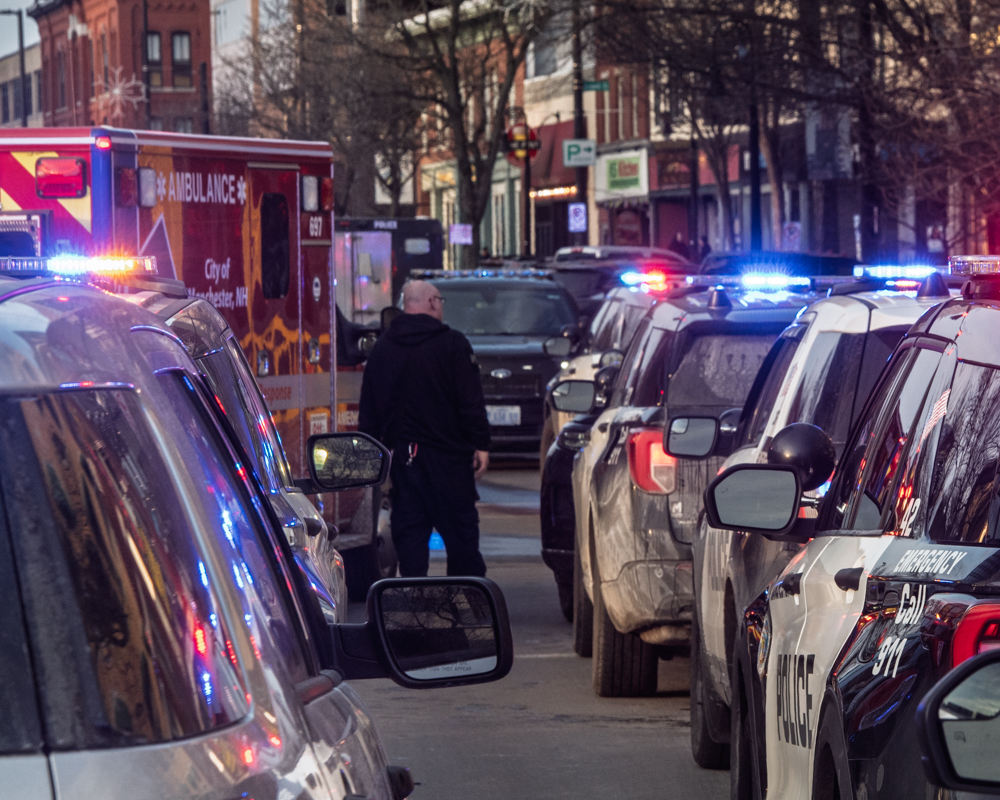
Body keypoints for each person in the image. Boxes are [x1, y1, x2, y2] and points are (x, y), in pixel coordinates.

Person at [359, 280, 491, 577]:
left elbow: (369, 412)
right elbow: (470, 402)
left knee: (411, 547)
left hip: (404, 467)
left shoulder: (382, 349)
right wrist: (481, 444)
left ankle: (413, 609)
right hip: (451, 466)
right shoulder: (454, 345)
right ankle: (465, 608)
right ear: (432, 302)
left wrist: (371, 461)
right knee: (463, 546)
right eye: (440, 300)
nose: (441, 305)